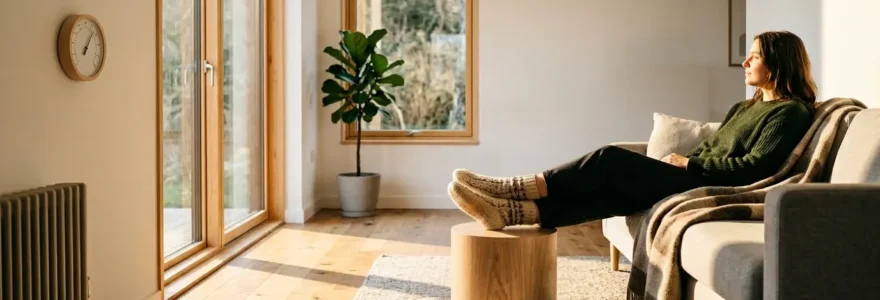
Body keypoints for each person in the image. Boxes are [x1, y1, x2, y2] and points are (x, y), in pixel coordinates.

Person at [448, 30, 817, 230]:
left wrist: (689, 166)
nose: (745, 62)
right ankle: (512, 214)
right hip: (691, 173)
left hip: (709, 185)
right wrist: (687, 162)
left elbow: (756, 167)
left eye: (754, 55)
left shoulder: (789, 113)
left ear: (778, 61)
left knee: (609, 159)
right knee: (618, 195)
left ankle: (513, 189)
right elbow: (716, 148)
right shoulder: (747, 106)